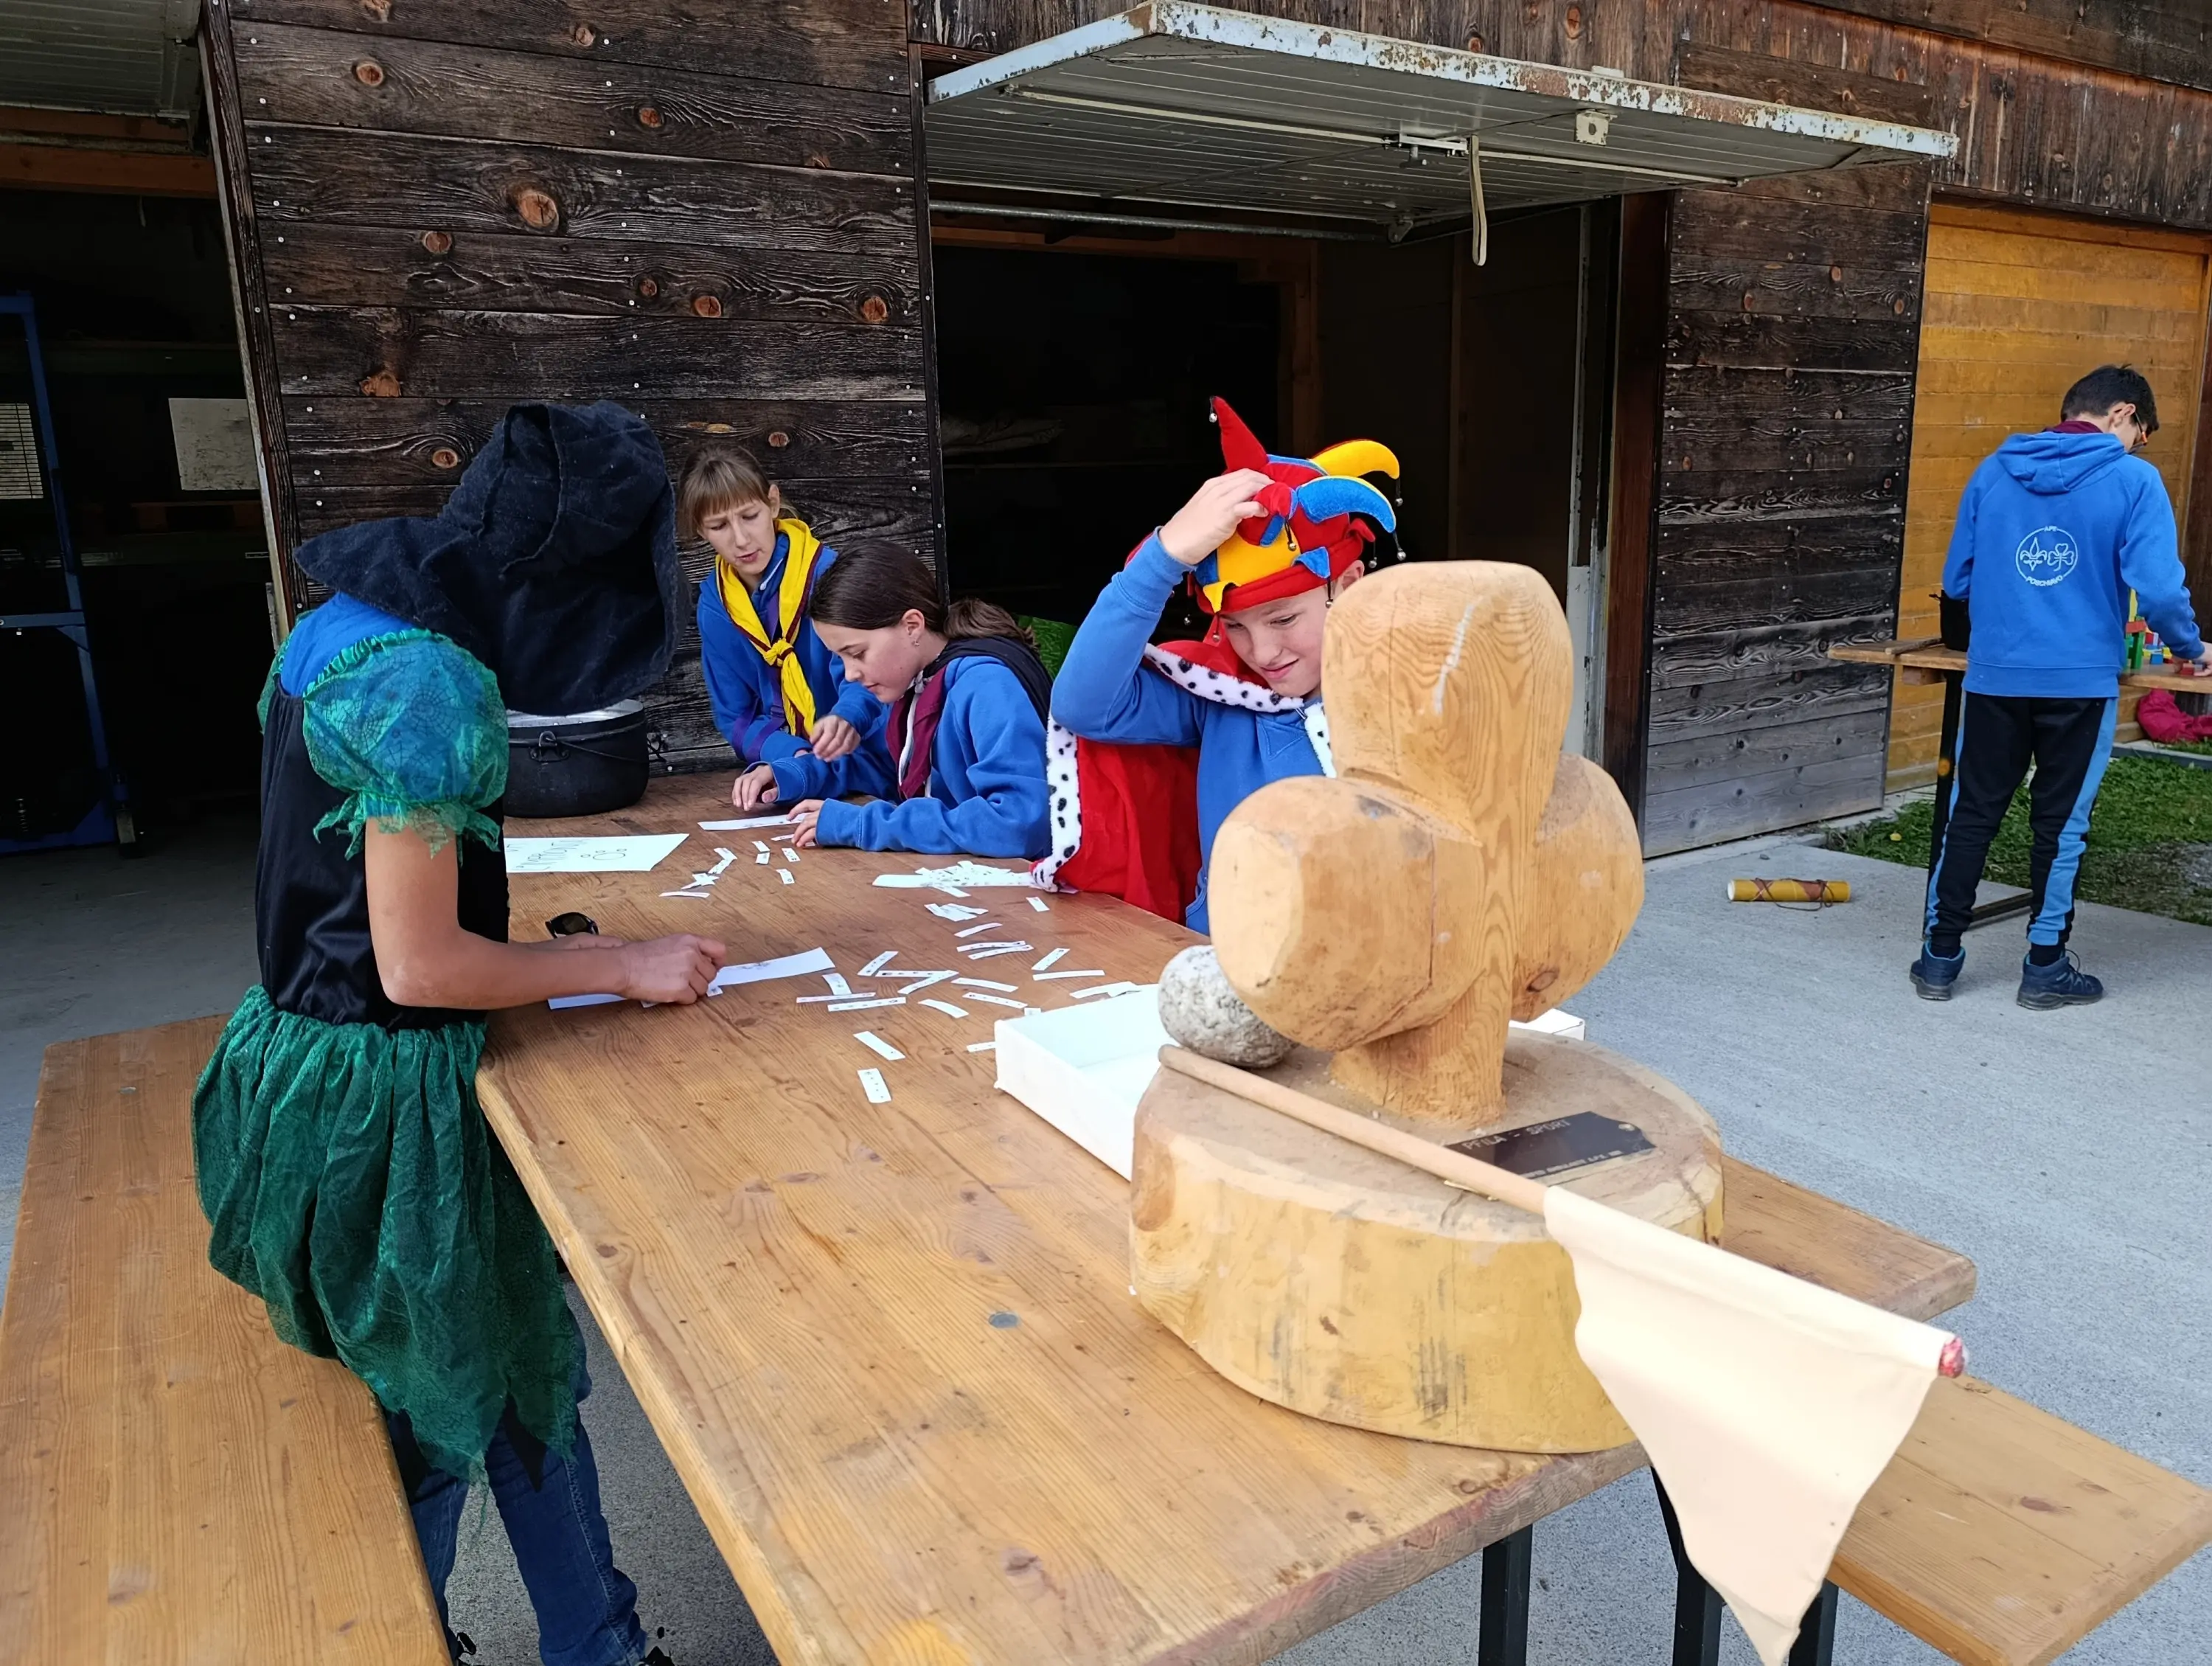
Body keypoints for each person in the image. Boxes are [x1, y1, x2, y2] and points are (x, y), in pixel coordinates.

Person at [193, 403, 722, 1666]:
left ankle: (593, 1633)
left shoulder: (345, 626)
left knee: (495, 1376)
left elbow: (351, 882)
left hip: (299, 1056)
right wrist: (615, 959)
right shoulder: (428, 680)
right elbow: (421, 964)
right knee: (444, 1407)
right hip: (385, 1106)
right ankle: (402, 1634)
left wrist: (538, 937)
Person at [1911, 364, 2208, 1007]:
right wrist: (2190, 649)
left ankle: (1938, 959)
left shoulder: (1993, 471)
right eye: (2143, 433)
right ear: (2124, 414)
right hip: (2079, 682)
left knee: (1971, 813)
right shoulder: (2134, 479)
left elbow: (1957, 579)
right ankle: (2044, 967)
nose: (2139, 447)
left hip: (1995, 676)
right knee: (2061, 824)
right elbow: (2156, 588)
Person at [1048, 398, 1399, 931]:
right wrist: (1163, 558)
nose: (1261, 652)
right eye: (1235, 625)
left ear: (1346, 584)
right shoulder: (1219, 697)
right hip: (1226, 970)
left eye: (1282, 620)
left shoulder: (1412, 699)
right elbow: (1082, 704)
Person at [747, 544, 1052, 857]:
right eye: (840, 657)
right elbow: (890, 770)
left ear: (912, 626)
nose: (850, 674)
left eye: (857, 654)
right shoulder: (915, 682)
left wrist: (870, 824)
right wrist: (797, 774)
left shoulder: (987, 688)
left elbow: (1020, 823)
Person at [684, 445, 883, 805]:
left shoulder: (826, 575)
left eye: (750, 516)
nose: (741, 539)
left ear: (773, 503)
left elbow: (871, 676)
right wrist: (789, 754)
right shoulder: (716, 607)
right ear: (701, 531)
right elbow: (735, 715)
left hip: (866, 758)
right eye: (719, 526)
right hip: (791, 768)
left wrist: (845, 720)